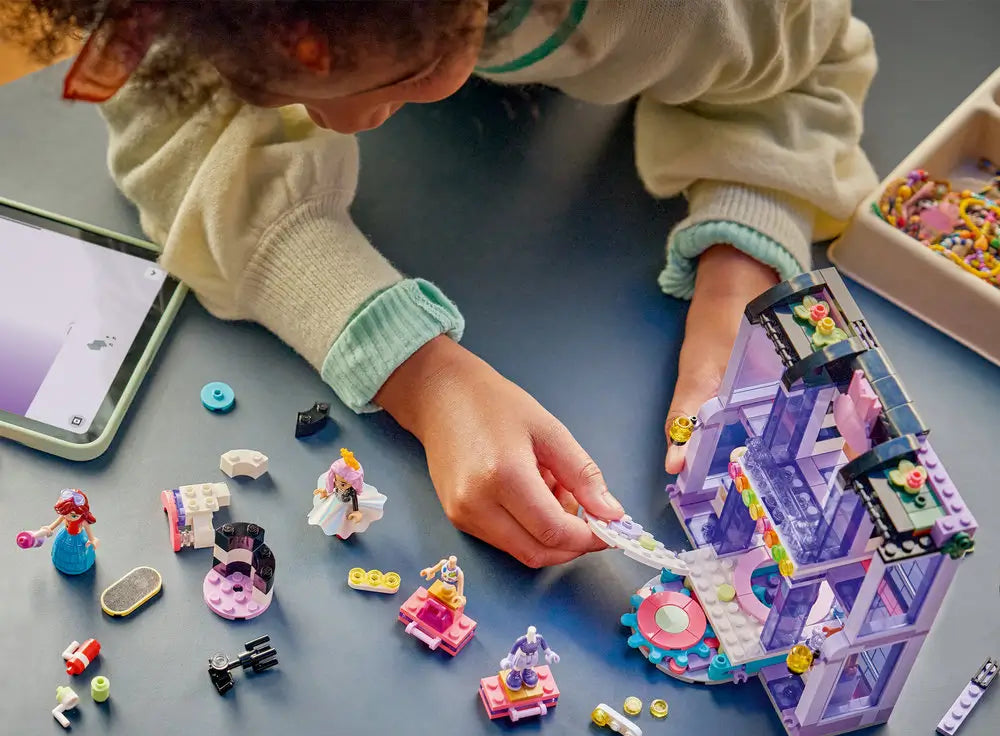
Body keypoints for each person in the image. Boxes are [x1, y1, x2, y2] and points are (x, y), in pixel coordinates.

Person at [4, 1, 877, 567]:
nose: (337, 124)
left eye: (389, 84)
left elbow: (809, 65)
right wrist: (416, 368)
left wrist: (743, 260)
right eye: (265, 80)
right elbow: (179, 129)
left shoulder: (688, 17)